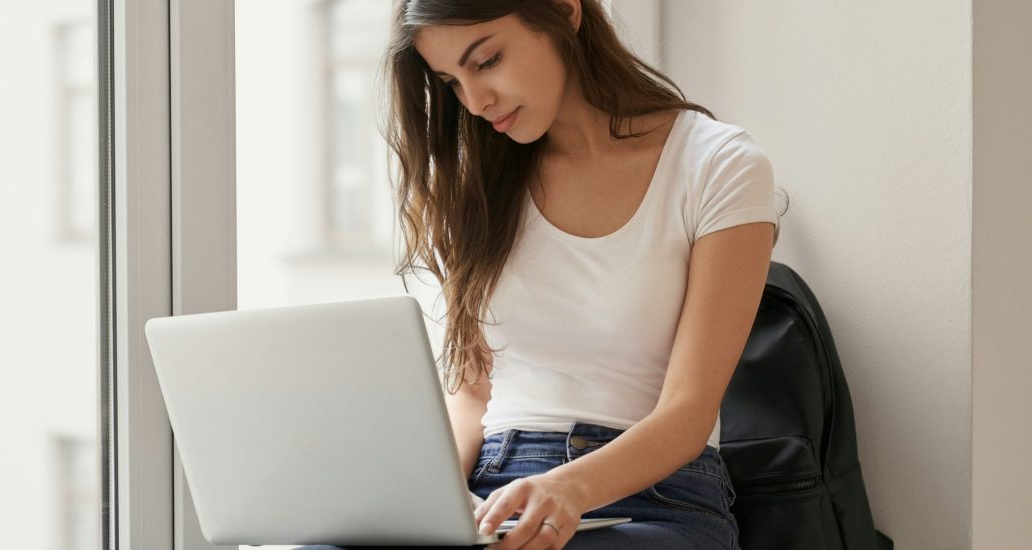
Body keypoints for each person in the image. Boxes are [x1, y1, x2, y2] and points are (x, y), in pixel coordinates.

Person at [303, 0, 783, 548]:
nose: (476, 101)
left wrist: (568, 488)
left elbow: (688, 412)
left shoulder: (718, 166)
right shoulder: (480, 185)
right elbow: (473, 397)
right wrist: (422, 491)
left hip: (656, 503)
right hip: (496, 491)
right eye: (450, 82)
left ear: (563, 11)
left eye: (486, 61)